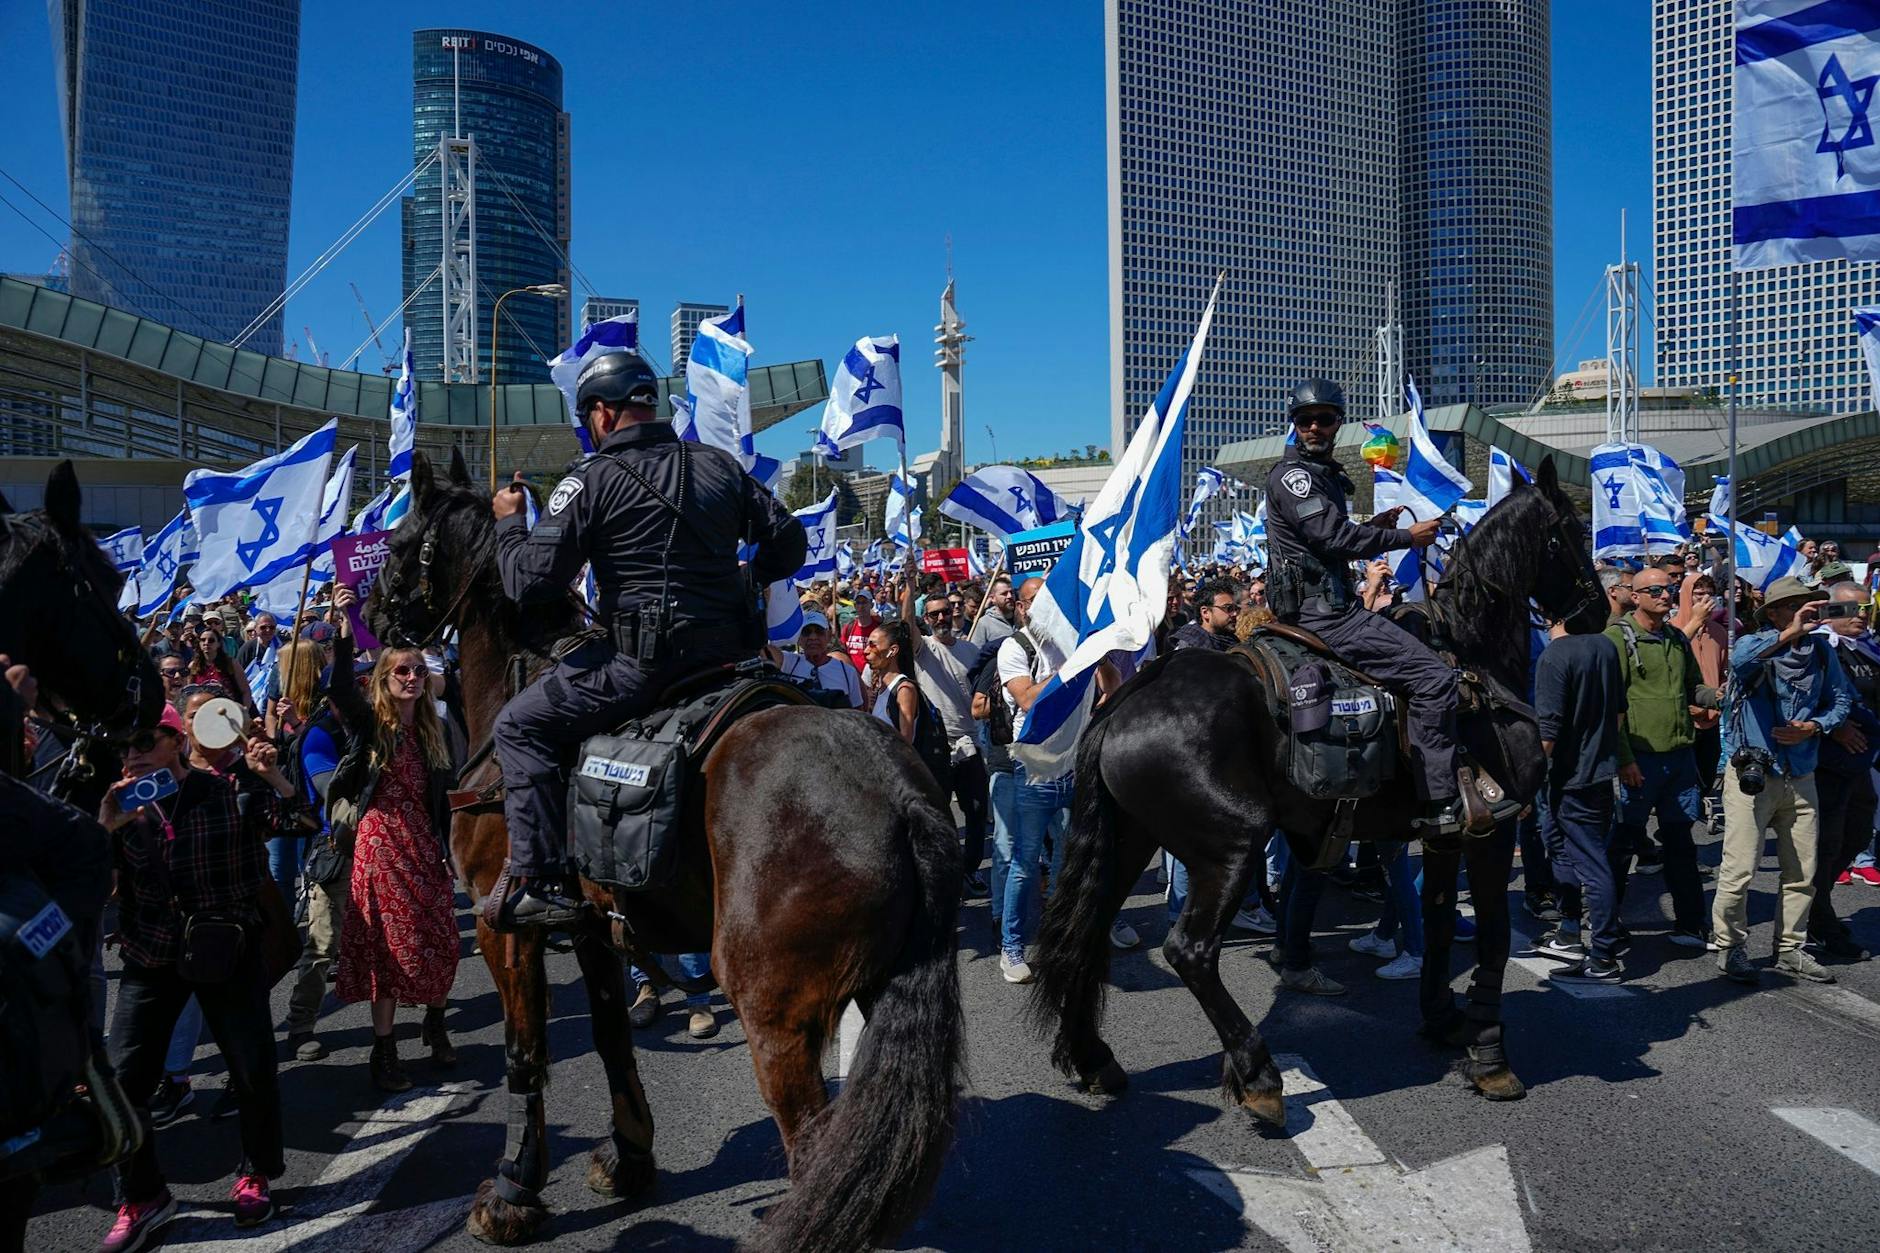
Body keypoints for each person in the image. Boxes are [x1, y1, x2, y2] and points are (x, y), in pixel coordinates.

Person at [490, 349, 806, 927]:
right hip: (732, 660)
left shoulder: (589, 478)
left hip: (641, 667)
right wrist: (747, 579)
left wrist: (509, 522)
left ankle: (537, 880)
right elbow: (789, 545)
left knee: (516, 724)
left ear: (603, 414)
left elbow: (529, 582)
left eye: (588, 417)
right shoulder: (717, 465)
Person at [96, 705, 286, 1248]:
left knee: (251, 1070)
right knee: (125, 1081)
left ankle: (255, 1171)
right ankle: (143, 1194)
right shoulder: (122, 803)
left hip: (226, 946)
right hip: (150, 953)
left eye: (143, 741)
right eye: (123, 744)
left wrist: (272, 775)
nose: (130, 753)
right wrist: (105, 828)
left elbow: (299, 823)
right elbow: (92, 888)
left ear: (177, 741)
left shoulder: (224, 789)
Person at [1261, 378, 1477, 833]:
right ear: (1295, 425)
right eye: (1306, 420)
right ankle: (1439, 801)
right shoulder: (1295, 475)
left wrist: (1374, 526)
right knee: (1435, 678)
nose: (1315, 426)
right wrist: (1406, 537)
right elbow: (1331, 537)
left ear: (1339, 423)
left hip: (1326, 605)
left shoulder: (1321, 473)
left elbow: (1324, 538)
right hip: (1326, 616)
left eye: (1324, 418)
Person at [326, 585, 461, 1091]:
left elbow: (444, 797)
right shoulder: (371, 726)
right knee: (390, 949)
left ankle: (436, 1023)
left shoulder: (435, 731)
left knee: (443, 939)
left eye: (418, 670)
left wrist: (451, 851)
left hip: (424, 843)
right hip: (380, 845)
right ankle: (383, 1052)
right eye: (401, 671)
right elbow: (339, 689)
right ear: (383, 680)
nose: (411, 677)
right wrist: (345, 623)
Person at [1712, 577, 1855, 986]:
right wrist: (1788, 634)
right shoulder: (1751, 646)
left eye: (1809, 604)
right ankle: (1730, 947)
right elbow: (1740, 665)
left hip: (1801, 771)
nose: (1805, 610)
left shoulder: (1822, 651)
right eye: (1793, 605)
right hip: (1752, 774)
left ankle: (1791, 948)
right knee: (1739, 869)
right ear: (1772, 613)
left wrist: (1815, 726)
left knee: (1802, 871)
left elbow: (1841, 699)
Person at [1606, 564, 1713, 949]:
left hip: (1679, 759)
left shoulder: (1675, 639)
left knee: (1681, 841)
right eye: (1655, 590)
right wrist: (1624, 759)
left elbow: (1692, 688)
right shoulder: (1616, 640)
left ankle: (1691, 922)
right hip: (1639, 760)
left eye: (1668, 589)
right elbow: (1610, 706)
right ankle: (1607, 924)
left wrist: (1717, 696)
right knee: (1621, 844)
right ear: (1635, 597)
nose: (1665, 595)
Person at [1534, 615, 1628, 980]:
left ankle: (1603, 955)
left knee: (1591, 862)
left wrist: (1524, 782)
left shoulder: (1555, 655)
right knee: (1556, 843)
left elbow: (1548, 730)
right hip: (1594, 772)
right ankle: (1570, 930)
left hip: (1572, 776)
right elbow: (1619, 712)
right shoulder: (1605, 645)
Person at [1808, 581, 1879, 960]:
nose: (1863, 615)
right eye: (1855, 609)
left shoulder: (1866, 648)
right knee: (1826, 844)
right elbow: (1802, 698)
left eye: (1866, 608)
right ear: (1831, 613)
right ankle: (1817, 924)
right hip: (1826, 765)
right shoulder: (1819, 649)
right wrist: (1836, 728)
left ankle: (1818, 908)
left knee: (1857, 835)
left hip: (1861, 762)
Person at [777, 611, 863, 707]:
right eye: (806, 632)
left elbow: (857, 711)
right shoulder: (788, 663)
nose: (813, 637)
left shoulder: (847, 672)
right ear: (799, 638)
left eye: (819, 631)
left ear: (829, 635)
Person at [1171, 577, 1240, 652]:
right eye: (1228, 608)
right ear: (1205, 612)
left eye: (1235, 608)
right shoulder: (1190, 646)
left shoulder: (1231, 641)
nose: (1234, 614)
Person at [969, 574, 1017, 647]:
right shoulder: (984, 623)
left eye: (1011, 592)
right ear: (993, 598)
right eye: (1004, 594)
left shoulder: (1022, 618)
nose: (1009, 596)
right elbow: (976, 651)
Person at [840, 590, 880, 671]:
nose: (861, 606)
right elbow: (843, 651)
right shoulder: (848, 628)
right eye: (858, 603)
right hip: (852, 675)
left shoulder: (878, 628)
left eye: (864, 602)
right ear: (854, 606)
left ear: (871, 605)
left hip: (872, 674)